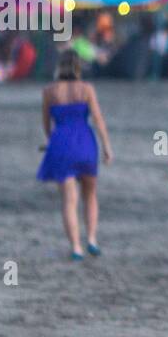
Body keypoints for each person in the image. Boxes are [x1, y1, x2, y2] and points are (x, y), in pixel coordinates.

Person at [37, 50, 113, 260]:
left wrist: (52, 142)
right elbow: (98, 120)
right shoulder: (86, 89)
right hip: (85, 144)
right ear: (78, 67)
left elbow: (46, 124)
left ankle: (76, 247)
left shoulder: (49, 91)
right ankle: (92, 239)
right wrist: (107, 147)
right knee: (90, 194)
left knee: (69, 200)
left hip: (61, 144)